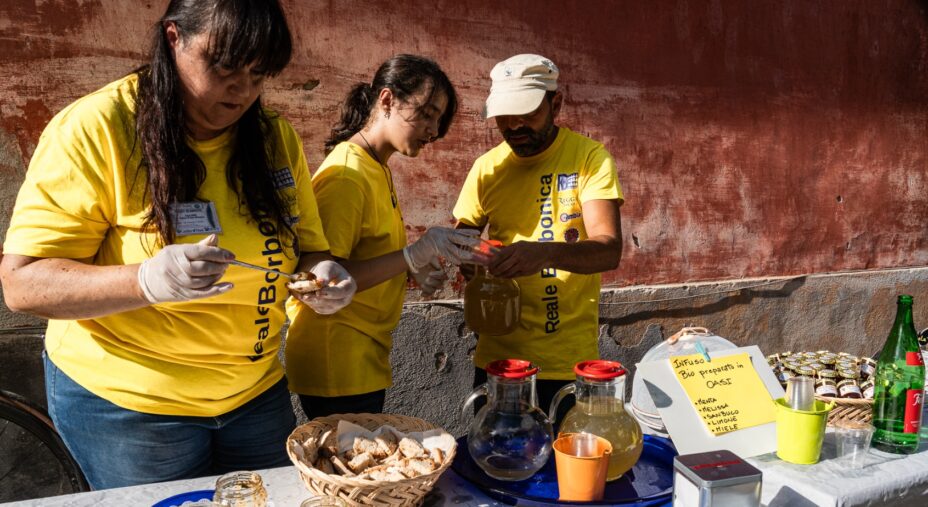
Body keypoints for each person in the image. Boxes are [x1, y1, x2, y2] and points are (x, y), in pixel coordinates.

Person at [0, 0, 356, 489]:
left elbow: (309, 247)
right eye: (224, 66)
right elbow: (22, 284)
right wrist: (145, 281)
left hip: (253, 394)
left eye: (258, 74)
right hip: (133, 407)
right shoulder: (98, 127)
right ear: (174, 38)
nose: (242, 91)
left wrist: (325, 274)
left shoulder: (274, 137)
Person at [285, 55, 482, 419]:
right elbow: (323, 280)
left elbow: (367, 254)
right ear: (387, 100)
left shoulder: (376, 167)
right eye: (427, 114)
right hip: (337, 358)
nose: (433, 130)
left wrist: (412, 267)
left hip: (364, 353)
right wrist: (412, 255)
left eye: (438, 120)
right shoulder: (347, 175)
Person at [453, 54, 624, 416]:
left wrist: (545, 254)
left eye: (527, 113)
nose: (515, 125)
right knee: (494, 448)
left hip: (565, 360)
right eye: (504, 116)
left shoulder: (589, 159)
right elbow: (461, 241)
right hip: (500, 361)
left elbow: (609, 250)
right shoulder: (486, 168)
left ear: (555, 104)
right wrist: (471, 258)